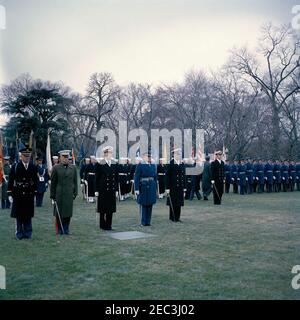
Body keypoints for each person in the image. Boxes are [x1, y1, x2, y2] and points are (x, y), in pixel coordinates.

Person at [7, 146, 37, 240]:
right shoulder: (15, 167)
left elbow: (35, 181)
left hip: (29, 194)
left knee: (28, 215)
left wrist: (34, 193)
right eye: (25, 156)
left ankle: (28, 233)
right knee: (19, 215)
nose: (27, 158)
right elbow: (11, 181)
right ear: (21, 156)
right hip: (18, 194)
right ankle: (19, 233)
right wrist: (9, 193)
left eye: (28, 156)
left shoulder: (32, 167)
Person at [50, 150, 78, 235]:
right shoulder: (56, 168)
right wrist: (52, 195)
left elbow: (75, 181)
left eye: (67, 157)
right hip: (59, 194)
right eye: (64, 157)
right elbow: (53, 183)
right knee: (59, 213)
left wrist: (75, 192)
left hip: (69, 194)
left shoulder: (73, 168)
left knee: (68, 212)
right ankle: (59, 229)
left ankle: (66, 229)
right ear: (60, 158)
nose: (66, 159)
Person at [95, 146, 119, 231]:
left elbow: (116, 178)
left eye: (111, 153)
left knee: (110, 209)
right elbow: (96, 178)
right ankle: (102, 225)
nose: (111, 154)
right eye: (109, 152)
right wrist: (96, 190)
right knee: (102, 209)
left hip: (111, 189)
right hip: (103, 189)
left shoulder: (114, 163)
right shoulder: (100, 163)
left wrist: (116, 190)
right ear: (105, 153)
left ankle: (109, 225)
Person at [134, 151, 157, 226]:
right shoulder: (140, 165)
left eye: (150, 157)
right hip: (143, 186)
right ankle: (143, 222)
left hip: (151, 186)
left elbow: (155, 177)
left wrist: (155, 187)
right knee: (144, 204)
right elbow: (136, 177)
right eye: (147, 156)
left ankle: (148, 222)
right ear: (143, 157)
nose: (149, 158)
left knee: (150, 204)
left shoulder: (153, 166)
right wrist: (136, 189)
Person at [165, 148, 186, 221]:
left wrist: (184, 187)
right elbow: (167, 176)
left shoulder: (181, 163)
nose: (178, 155)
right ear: (173, 154)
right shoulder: (170, 163)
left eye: (179, 154)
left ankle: (178, 217)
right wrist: (167, 188)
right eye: (177, 154)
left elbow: (184, 175)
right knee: (173, 202)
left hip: (180, 186)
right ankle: (172, 217)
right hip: (172, 186)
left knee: (179, 202)